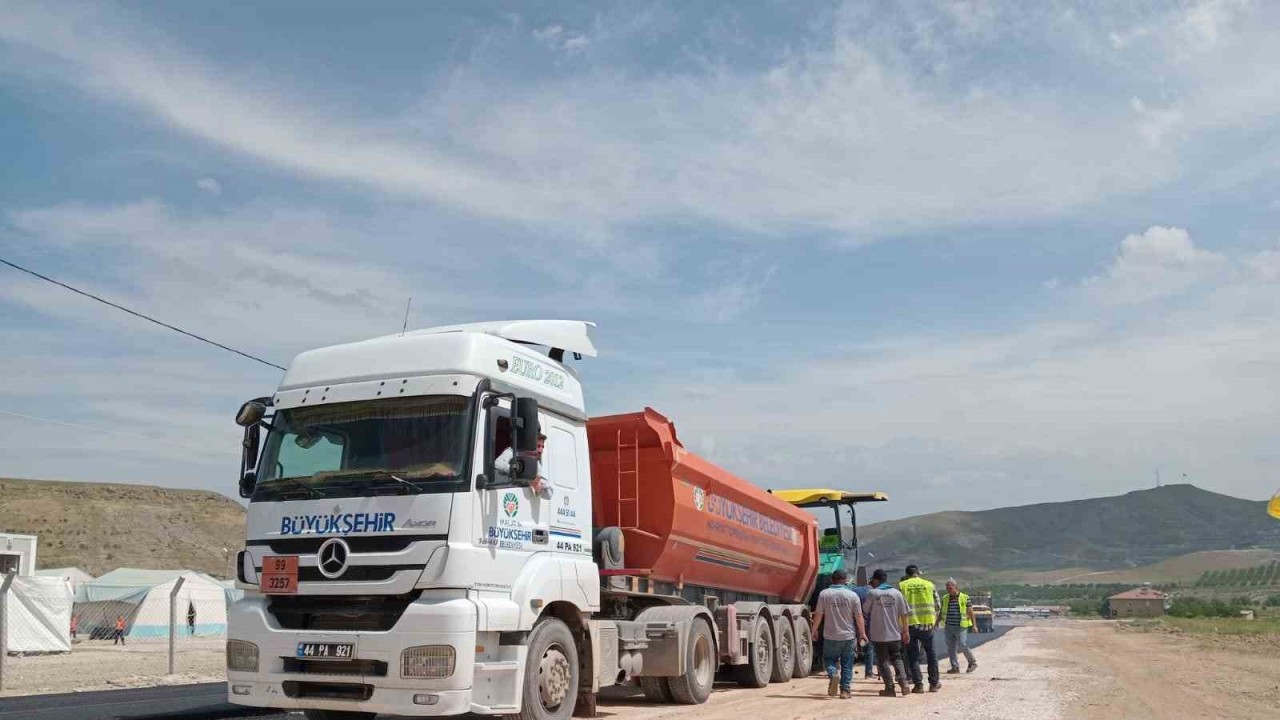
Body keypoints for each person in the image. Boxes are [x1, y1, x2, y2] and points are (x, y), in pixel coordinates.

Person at [810, 568, 867, 699]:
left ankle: (833, 673)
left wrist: (814, 630)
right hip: (848, 636)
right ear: (845, 580)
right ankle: (845, 691)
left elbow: (819, 614)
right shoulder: (852, 595)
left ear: (832, 580)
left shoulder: (824, 594)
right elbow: (859, 616)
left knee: (829, 659)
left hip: (830, 636)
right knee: (847, 664)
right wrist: (862, 633)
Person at [866, 569, 911, 698]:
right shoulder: (896, 593)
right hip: (895, 633)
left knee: (883, 661)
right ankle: (904, 683)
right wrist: (906, 631)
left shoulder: (872, 593)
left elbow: (865, 610)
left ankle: (890, 688)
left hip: (878, 634)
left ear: (876, 580)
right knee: (897, 658)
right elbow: (904, 614)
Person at [899, 564, 941, 693]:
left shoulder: (902, 586)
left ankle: (918, 685)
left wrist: (901, 627)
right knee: (931, 654)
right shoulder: (929, 584)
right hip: (928, 624)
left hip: (910, 625)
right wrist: (934, 621)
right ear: (918, 573)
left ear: (907, 574)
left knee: (913, 656)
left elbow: (899, 607)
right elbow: (938, 605)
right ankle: (934, 684)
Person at [494, 432, 552, 500]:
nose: (541, 450)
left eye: (542, 447)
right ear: (531, 444)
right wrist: (517, 470)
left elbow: (549, 495)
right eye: (538, 446)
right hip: (506, 495)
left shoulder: (536, 463)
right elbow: (497, 463)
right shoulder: (513, 451)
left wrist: (538, 487)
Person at [938, 579, 978, 674]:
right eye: (947, 588)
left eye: (950, 588)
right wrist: (936, 622)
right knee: (950, 647)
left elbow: (971, 612)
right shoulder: (945, 598)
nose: (948, 590)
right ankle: (955, 667)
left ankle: (972, 662)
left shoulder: (965, 597)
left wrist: (974, 625)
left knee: (962, 644)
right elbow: (941, 612)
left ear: (956, 587)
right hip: (948, 626)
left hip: (960, 626)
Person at [851, 568, 876, 679]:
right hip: (867, 623)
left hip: (852, 622)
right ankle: (869, 672)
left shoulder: (854, 590)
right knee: (868, 648)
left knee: (850, 648)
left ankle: (846, 671)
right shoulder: (873, 593)